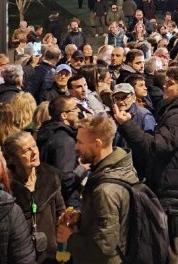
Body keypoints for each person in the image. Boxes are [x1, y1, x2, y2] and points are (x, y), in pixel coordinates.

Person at [114, 66, 178, 264]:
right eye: (165, 82)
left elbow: (156, 147)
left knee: (173, 247)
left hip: (173, 191)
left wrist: (127, 125)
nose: (165, 86)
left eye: (170, 84)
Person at [56, 113, 138, 264]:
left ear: (97, 144)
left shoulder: (105, 190)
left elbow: (103, 247)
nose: (76, 147)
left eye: (80, 142)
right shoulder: (118, 167)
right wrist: (82, 217)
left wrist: (70, 238)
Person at [2, 131, 65, 263]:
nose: (34, 152)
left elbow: (60, 212)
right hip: (20, 256)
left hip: (50, 256)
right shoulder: (6, 187)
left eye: (34, 146)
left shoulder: (50, 176)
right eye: (26, 150)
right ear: (12, 159)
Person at [37, 95, 88, 206]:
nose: (79, 111)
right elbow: (66, 180)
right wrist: (82, 168)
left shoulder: (47, 131)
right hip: (67, 201)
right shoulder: (64, 141)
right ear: (64, 115)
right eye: (75, 108)